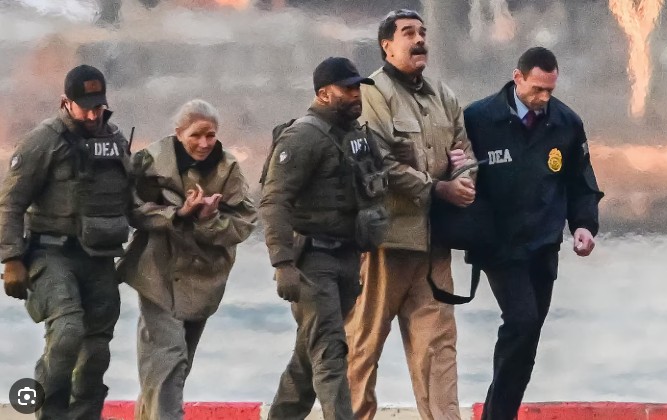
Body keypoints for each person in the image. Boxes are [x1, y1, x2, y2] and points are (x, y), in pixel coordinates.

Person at [343, 9, 476, 420]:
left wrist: (464, 180)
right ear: (387, 45)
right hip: (385, 244)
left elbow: (465, 152)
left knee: (438, 353)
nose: (419, 40)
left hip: (433, 247)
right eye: (407, 33)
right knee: (362, 348)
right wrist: (437, 187)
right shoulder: (372, 93)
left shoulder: (443, 96)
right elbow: (378, 161)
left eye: (422, 32)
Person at [463, 47, 605, 420]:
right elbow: (458, 176)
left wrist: (584, 226)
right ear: (518, 78)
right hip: (499, 245)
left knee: (527, 340)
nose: (543, 98)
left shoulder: (566, 123)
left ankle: (499, 414)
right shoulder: (478, 119)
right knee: (521, 321)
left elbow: (581, 183)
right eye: (537, 89)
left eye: (550, 91)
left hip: (543, 244)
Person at [0, 64, 131, 419]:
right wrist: (11, 258)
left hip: (99, 255)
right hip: (51, 252)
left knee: (97, 350)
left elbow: (129, 196)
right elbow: (10, 203)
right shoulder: (44, 141)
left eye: (98, 106)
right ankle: (47, 410)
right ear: (66, 102)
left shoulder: (115, 140)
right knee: (67, 332)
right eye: (84, 107)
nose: (92, 114)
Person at [260, 56, 387, 420]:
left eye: (357, 87)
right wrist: (283, 263)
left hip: (347, 258)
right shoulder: (303, 137)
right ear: (323, 93)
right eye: (346, 89)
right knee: (330, 351)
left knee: (308, 358)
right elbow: (274, 201)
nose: (355, 94)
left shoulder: (356, 136)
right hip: (313, 262)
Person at [117, 99, 257, 420]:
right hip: (158, 273)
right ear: (178, 132)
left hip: (203, 277)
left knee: (178, 363)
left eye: (211, 135)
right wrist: (177, 213)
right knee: (168, 355)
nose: (204, 143)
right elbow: (131, 208)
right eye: (196, 135)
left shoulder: (228, 169)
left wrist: (208, 219)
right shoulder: (151, 161)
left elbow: (244, 222)